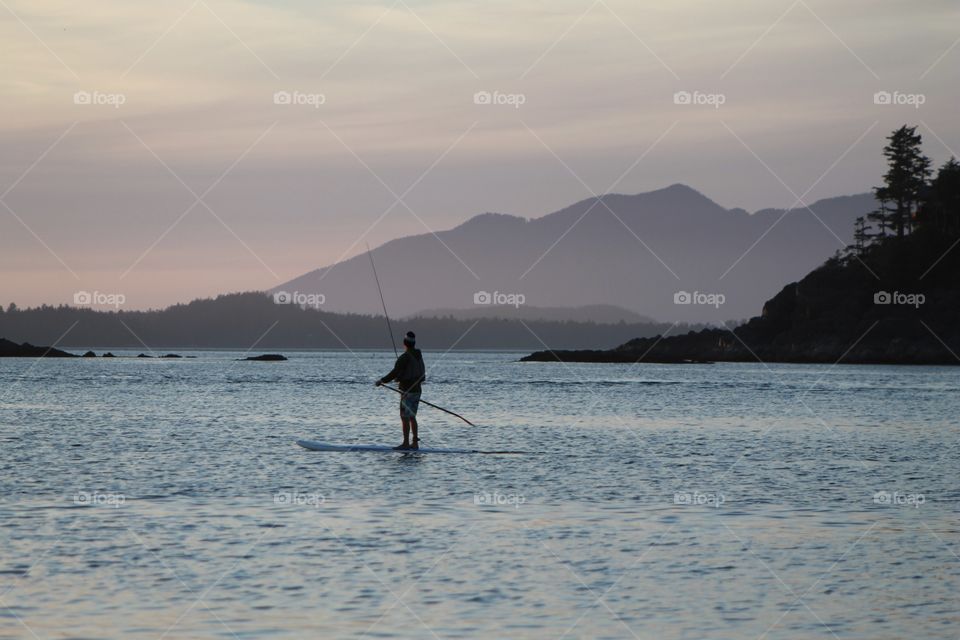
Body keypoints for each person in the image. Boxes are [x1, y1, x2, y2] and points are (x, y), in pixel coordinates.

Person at [376, 331, 426, 450]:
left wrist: (381, 381)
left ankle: (405, 443)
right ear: (414, 343)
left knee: (404, 417)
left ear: (404, 343)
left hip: (407, 391)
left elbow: (394, 373)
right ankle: (415, 443)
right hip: (417, 390)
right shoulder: (419, 356)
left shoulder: (404, 358)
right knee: (412, 416)